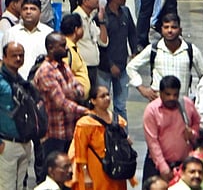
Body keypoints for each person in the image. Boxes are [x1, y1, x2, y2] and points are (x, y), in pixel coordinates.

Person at [34, 33, 88, 163]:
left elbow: (80, 89)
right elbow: (61, 102)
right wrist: (86, 111)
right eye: (63, 46)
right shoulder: (46, 71)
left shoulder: (64, 66)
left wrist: (68, 92)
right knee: (53, 172)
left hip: (69, 130)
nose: (67, 48)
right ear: (51, 48)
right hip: (53, 133)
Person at [128, 13, 203, 100]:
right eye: (166, 27)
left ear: (180, 30)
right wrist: (142, 89)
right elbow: (131, 67)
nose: (170, 30)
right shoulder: (154, 49)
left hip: (181, 104)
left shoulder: (191, 50)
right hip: (158, 104)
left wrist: (199, 97)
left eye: (174, 27)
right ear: (162, 30)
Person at [71, 83, 131, 190]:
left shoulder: (118, 120)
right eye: (102, 96)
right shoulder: (85, 123)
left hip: (116, 170)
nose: (107, 98)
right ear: (93, 101)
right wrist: (86, 175)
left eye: (108, 95)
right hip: (95, 171)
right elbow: (80, 153)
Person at [143, 75, 202, 182]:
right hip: (158, 167)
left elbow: (197, 123)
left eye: (175, 95)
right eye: (168, 94)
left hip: (182, 166)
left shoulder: (186, 104)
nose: (172, 98)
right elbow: (152, 142)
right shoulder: (151, 110)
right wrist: (163, 168)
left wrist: (193, 134)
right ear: (160, 93)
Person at [0, 41, 35, 188]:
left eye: (21, 55)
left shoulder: (21, 81)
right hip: (6, 143)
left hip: (25, 141)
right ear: (4, 57)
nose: (18, 58)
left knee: (21, 186)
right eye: (14, 55)